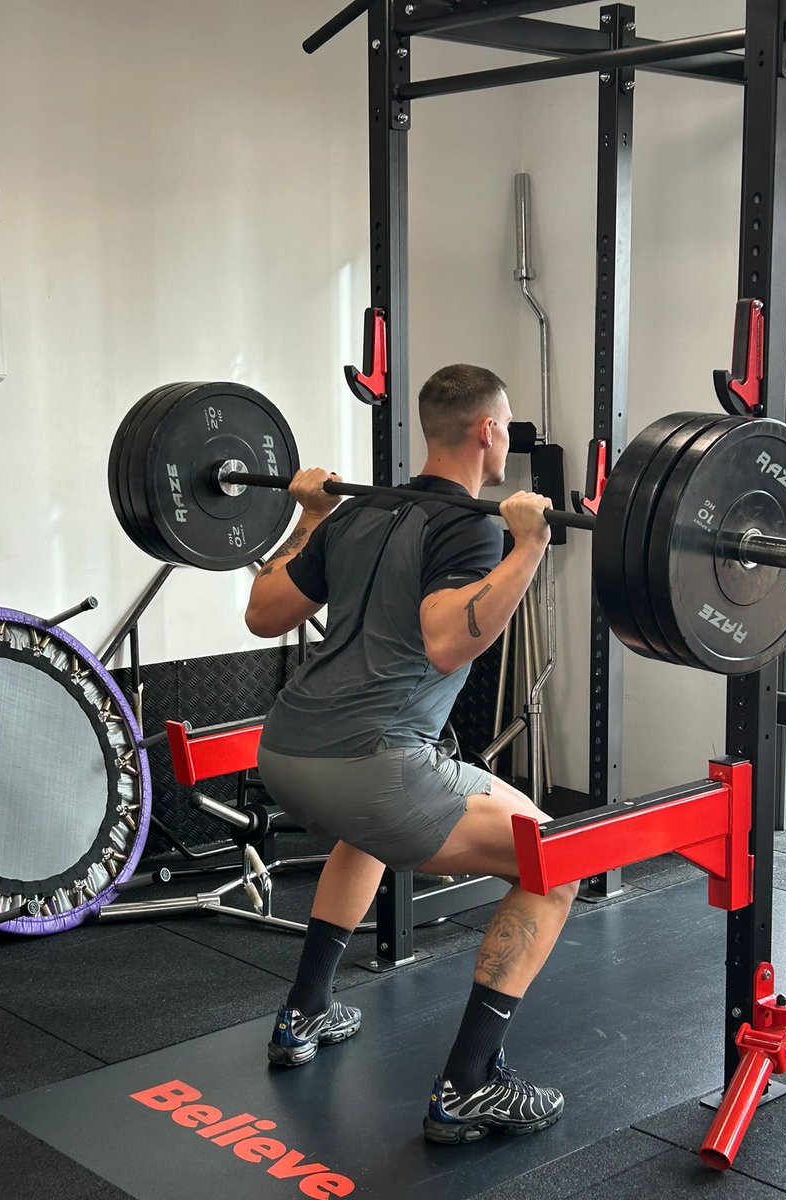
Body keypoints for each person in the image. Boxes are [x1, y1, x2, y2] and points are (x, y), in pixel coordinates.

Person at [246, 363, 580, 1144]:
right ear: (489, 431)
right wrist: (528, 546)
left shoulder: (360, 514)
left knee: (367, 833)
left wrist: (310, 517)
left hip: (287, 749)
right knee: (554, 863)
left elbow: (263, 612)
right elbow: (442, 641)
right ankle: (468, 1087)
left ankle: (304, 1014)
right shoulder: (472, 525)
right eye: (507, 429)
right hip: (373, 765)